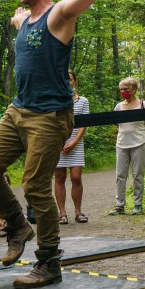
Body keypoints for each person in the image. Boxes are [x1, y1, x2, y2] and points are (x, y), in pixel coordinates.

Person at [0, 0, 144, 289]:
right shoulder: (27, 21)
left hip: (49, 116)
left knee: (35, 185)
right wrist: (17, 20)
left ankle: (49, 262)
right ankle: (18, 225)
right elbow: (21, 23)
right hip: (18, 111)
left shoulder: (60, 15)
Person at [108, 76, 145, 216]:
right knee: (120, 175)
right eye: (121, 89)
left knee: (137, 175)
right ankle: (119, 206)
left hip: (139, 143)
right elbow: (116, 123)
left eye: (125, 89)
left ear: (133, 89)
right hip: (121, 143)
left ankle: (138, 205)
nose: (123, 92)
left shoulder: (143, 105)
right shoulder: (118, 107)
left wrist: (141, 136)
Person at [55, 70, 89, 224]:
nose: (67, 81)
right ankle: (62, 214)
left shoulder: (83, 101)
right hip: (58, 143)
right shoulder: (55, 100)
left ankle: (78, 212)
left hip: (76, 142)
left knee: (76, 177)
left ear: (75, 81)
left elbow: (84, 123)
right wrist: (60, 141)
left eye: (69, 79)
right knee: (59, 177)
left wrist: (74, 141)